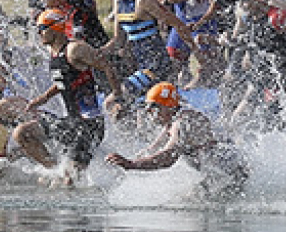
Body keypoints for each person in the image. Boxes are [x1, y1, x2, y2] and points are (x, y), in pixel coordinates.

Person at [105, 81, 250, 202]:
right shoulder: (174, 118)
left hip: (230, 172)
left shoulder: (181, 124)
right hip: (222, 169)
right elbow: (153, 149)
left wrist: (131, 165)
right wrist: (128, 165)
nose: (151, 116)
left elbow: (167, 157)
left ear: (168, 107)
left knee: (194, 202)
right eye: (149, 110)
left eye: (153, 110)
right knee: (191, 198)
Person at [25, 9, 113, 168]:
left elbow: (106, 66)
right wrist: (43, 98)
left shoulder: (75, 49)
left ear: (56, 28)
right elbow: (65, 81)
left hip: (89, 125)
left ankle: (65, 175)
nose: (39, 34)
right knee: (23, 133)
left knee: (70, 180)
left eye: (42, 29)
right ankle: (54, 170)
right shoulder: (54, 52)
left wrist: (116, 96)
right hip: (72, 122)